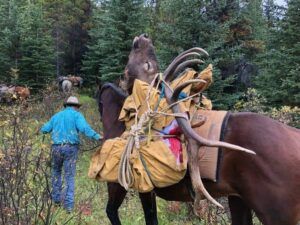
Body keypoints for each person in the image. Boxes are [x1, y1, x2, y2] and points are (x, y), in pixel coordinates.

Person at [40, 96, 101, 213]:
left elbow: (44, 129)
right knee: (69, 176)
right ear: (76, 106)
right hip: (70, 148)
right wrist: (97, 137)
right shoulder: (77, 115)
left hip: (56, 148)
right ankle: (68, 206)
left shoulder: (56, 116)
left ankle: (56, 200)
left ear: (66, 105)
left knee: (56, 172)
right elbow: (84, 128)